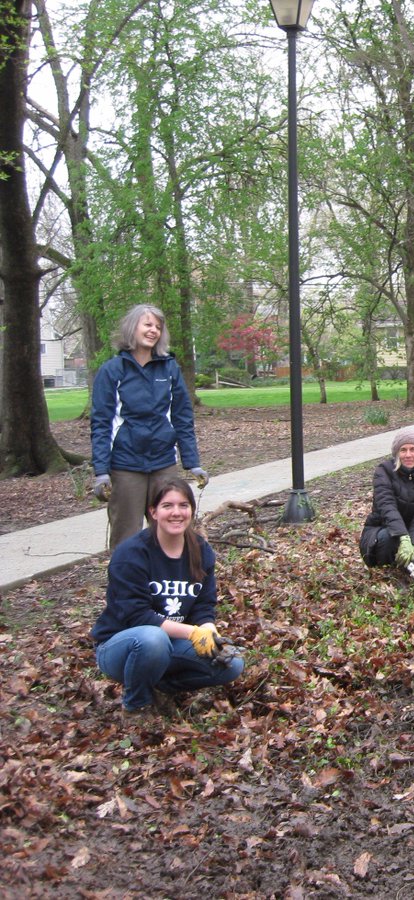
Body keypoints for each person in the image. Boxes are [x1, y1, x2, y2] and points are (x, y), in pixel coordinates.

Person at [92, 476, 244, 715]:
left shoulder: (201, 550)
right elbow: (137, 617)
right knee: (153, 639)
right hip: (122, 646)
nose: (176, 513)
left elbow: (204, 605)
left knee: (232, 663)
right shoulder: (131, 554)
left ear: (192, 511)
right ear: (153, 512)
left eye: (183, 505)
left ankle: (161, 688)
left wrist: (209, 631)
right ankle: (136, 705)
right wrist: (193, 633)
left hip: (172, 642)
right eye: (167, 506)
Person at [90, 304, 208, 550]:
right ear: (132, 328)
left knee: (171, 531)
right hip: (125, 466)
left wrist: (192, 462)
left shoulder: (169, 368)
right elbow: (101, 423)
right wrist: (101, 471)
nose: (153, 330)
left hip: (163, 462)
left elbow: (182, 417)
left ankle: (166, 583)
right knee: (127, 538)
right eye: (147, 325)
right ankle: (126, 587)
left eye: (158, 326)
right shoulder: (113, 371)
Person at [359, 429, 414, 579]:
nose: (408, 455)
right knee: (389, 539)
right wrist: (403, 537)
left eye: (413, 449)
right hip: (379, 533)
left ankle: (405, 576)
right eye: (403, 450)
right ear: (397, 453)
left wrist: (413, 543)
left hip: (412, 535)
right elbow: (387, 507)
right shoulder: (383, 471)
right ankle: (383, 574)